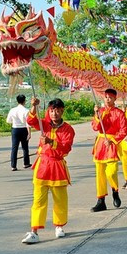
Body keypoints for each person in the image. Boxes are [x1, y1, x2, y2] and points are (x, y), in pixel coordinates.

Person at [21, 97, 75, 244]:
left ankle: (59, 226)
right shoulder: (44, 124)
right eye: (52, 110)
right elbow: (31, 121)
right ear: (48, 111)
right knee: (38, 200)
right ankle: (34, 231)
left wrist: (52, 142)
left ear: (62, 111)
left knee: (60, 200)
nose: (54, 113)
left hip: (57, 167)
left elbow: (66, 148)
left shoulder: (68, 129)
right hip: (42, 166)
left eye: (57, 110)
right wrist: (33, 106)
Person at [91, 88, 127, 212]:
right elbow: (95, 127)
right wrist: (96, 115)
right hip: (101, 144)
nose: (107, 99)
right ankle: (101, 201)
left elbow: (123, 131)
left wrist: (113, 140)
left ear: (114, 99)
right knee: (99, 175)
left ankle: (115, 191)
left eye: (110, 97)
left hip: (111, 144)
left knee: (111, 172)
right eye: (106, 97)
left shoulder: (119, 113)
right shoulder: (100, 111)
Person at [7, 94, 31, 171]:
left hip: (15, 129)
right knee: (25, 147)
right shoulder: (26, 111)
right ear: (24, 101)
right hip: (23, 129)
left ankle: (13, 165)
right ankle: (26, 163)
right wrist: (29, 133)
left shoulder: (12, 110)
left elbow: (8, 120)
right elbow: (28, 123)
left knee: (14, 148)